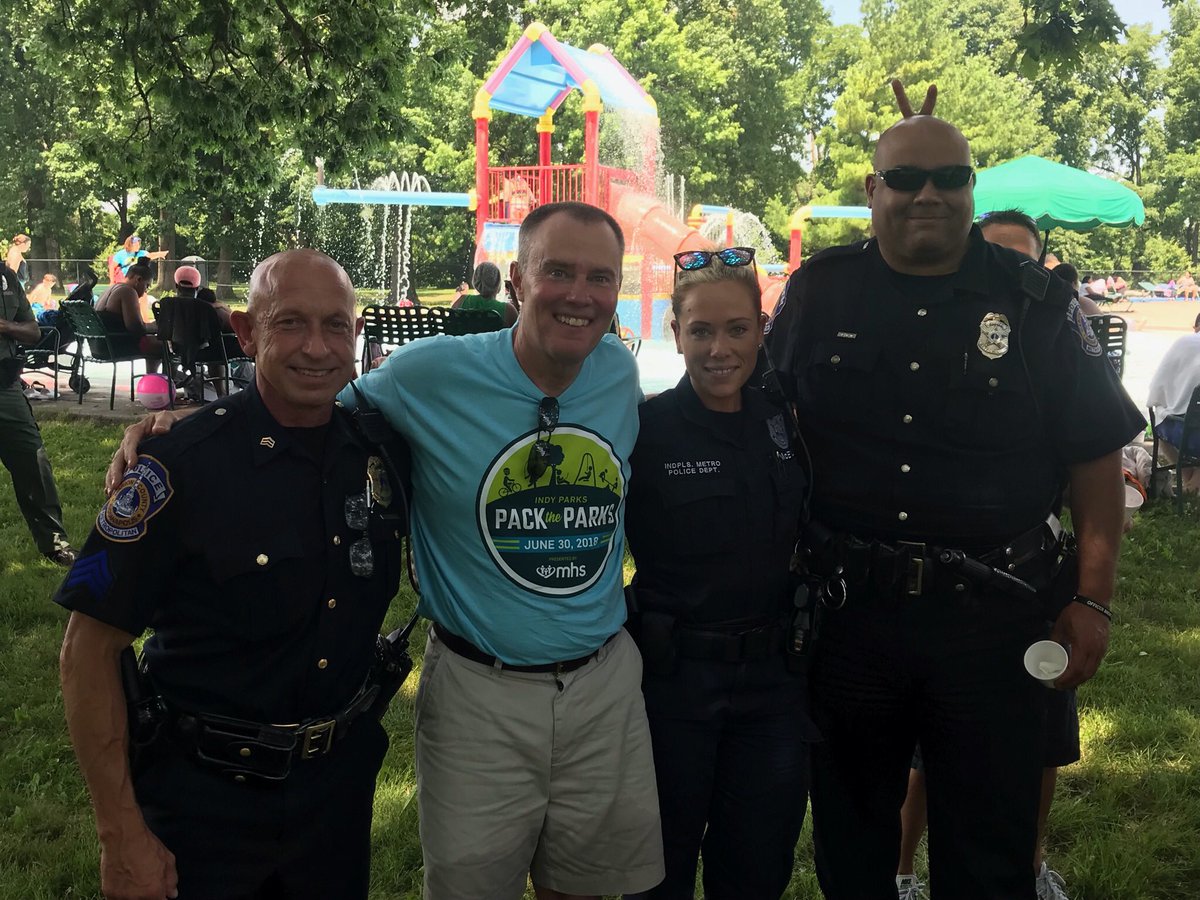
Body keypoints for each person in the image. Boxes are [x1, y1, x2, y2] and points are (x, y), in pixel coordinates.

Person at [106, 202, 665, 900]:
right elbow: (313, 402)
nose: (579, 294)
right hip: (479, 688)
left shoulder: (615, 371)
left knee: (584, 886)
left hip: (602, 684)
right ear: (518, 281)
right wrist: (195, 422)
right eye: (557, 271)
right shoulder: (429, 374)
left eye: (600, 278)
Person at [764, 113, 1145, 899]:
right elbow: (766, 426)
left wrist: (1093, 597)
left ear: (973, 189)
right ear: (873, 190)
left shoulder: (1036, 303)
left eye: (950, 177)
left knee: (990, 849)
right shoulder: (817, 291)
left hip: (993, 618)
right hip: (850, 618)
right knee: (852, 838)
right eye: (905, 179)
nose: (926, 194)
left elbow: (1095, 453)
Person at [57, 249, 411, 900]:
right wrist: (119, 833)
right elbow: (87, 650)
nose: (317, 347)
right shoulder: (174, 468)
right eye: (290, 324)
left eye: (336, 325)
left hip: (334, 797)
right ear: (246, 332)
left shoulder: (384, 450)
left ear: (357, 335)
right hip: (203, 802)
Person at [894, 208, 1093, 900]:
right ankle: (903, 868)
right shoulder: (942, 337)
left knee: (1043, 738)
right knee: (929, 753)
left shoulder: (1053, 336)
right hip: (944, 597)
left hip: (1034, 588)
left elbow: (1096, 441)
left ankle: (1030, 863)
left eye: (1026, 263)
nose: (1011, 276)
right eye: (997, 258)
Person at [623, 246, 817, 899]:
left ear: (762, 330)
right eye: (701, 330)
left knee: (757, 868)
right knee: (657, 871)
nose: (719, 348)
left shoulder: (785, 423)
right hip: (673, 686)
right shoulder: (642, 431)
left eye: (737, 329)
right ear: (674, 332)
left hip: (774, 687)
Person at [0, 263, 75, 565]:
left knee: (33, 460)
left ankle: (54, 543)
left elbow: (32, 331)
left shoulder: (5, 277)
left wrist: (4, 326)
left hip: (4, 387)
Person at [1146, 311, 1200, 494]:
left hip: (1182, 433)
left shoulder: (1184, 343)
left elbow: (1156, 389)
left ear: (1197, 327)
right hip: (1193, 431)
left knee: (1161, 419)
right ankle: (1192, 484)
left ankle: (1190, 483)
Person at [94, 262, 165, 371]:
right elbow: (136, 328)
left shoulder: (111, 288)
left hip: (98, 345)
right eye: (147, 285)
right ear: (138, 279)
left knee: (154, 342)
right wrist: (156, 326)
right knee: (164, 346)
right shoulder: (128, 291)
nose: (146, 290)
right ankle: (163, 378)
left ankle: (153, 377)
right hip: (115, 345)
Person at [453, 260, 518, 326]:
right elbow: (519, 330)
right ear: (497, 282)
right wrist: (514, 297)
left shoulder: (461, 302)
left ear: (475, 280)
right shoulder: (508, 310)